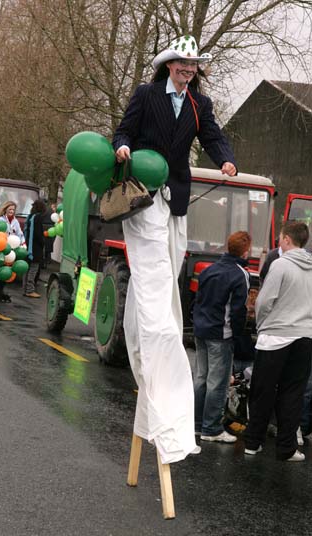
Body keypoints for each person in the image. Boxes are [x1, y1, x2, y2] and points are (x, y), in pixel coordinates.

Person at [112, 34, 237, 463]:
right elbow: (124, 130)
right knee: (152, 268)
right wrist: (123, 147)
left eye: (192, 67)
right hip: (144, 187)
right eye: (182, 66)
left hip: (176, 192)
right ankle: (157, 331)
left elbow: (216, 138)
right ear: (169, 66)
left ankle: (163, 317)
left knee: (171, 261)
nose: (187, 72)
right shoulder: (147, 95)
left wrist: (226, 158)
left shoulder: (201, 105)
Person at [244, 221, 312, 462]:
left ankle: (253, 443)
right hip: (304, 336)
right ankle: (287, 447)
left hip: (275, 337)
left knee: (262, 391)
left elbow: (264, 301)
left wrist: (262, 325)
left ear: (286, 240)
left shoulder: (280, 265)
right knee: (293, 393)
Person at [193, 231, 251, 443]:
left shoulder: (209, 269)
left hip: (201, 329)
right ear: (245, 252)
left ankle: (197, 425)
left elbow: (198, 299)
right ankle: (212, 429)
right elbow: (238, 310)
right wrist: (237, 335)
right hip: (221, 333)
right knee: (217, 383)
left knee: (201, 379)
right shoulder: (240, 274)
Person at [0, 201, 26, 302]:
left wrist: (23, 244)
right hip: (1, 249)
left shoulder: (15, 221)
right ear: (6, 209)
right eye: (10, 209)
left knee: (7, 271)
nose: (12, 211)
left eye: (13, 210)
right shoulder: (0, 220)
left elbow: (20, 234)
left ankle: (0, 291)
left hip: (11, 250)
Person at [22, 199, 46, 298]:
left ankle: (25, 289)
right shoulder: (38, 218)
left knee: (26, 269)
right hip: (35, 248)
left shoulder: (30, 217)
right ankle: (30, 290)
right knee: (33, 269)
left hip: (28, 246)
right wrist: (43, 242)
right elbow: (38, 234)